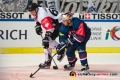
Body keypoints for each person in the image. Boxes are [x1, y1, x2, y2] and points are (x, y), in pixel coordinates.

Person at [27, 3, 65, 69]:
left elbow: (50, 28)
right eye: (30, 11)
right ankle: (47, 61)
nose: (32, 13)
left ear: (36, 9)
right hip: (55, 23)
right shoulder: (37, 11)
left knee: (47, 41)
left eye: (32, 11)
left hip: (61, 23)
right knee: (46, 42)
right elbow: (37, 19)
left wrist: (46, 37)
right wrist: (38, 25)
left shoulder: (42, 15)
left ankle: (61, 50)